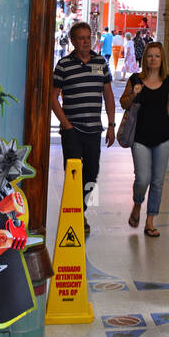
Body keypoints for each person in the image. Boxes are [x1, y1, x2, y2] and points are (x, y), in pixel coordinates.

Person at [51, 21, 115, 236]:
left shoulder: (100, 62)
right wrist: (66, 125)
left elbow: (108, 94)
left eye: (88, 38)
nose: (86, 42)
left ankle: (81, 208)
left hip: (94, 130)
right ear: (72, 41)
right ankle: (75, 214)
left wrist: (112, 124)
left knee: (92, 173)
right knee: (74, 173)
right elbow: (53, 98)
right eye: (81, 38)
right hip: (73, 130)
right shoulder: (63, 65)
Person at [120, 41, 169, 236]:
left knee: (157, 181)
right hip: (140, 136)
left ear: (161, 59)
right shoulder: (135, 79)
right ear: (144, 58)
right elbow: (123, 103)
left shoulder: (167, 81)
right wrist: (134, 94)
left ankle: (150, 220)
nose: (153, 59)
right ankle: (137, 204)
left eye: (156, 56)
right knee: (142, 179)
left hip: (163, 136)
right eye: (149, 56)